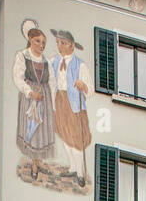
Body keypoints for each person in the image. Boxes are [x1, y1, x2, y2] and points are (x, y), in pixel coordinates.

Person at [13, 20, 55, 179]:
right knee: (31, 129)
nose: (41, 45)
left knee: (42, 131)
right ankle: (33, 163)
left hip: (44, 97)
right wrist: (30, 93)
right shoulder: (22, 56)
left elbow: (52, 82)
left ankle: (39, 161)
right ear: (30, 40)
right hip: (30, 96)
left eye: (44, 42)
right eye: (38, 41)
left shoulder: (46, 61)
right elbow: (18, 78)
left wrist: (53, 102)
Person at [50, 30, 91, 187]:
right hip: (59, 100)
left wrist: (83, 85)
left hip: (74, 104)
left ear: (72, 45)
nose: (60, 46)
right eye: (58, 43)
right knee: (64, 134)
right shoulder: (54, 61)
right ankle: (73, 167)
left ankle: (80, 172)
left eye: (63, 43)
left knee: (76, 138)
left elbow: (91, 89)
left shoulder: (80, 65)